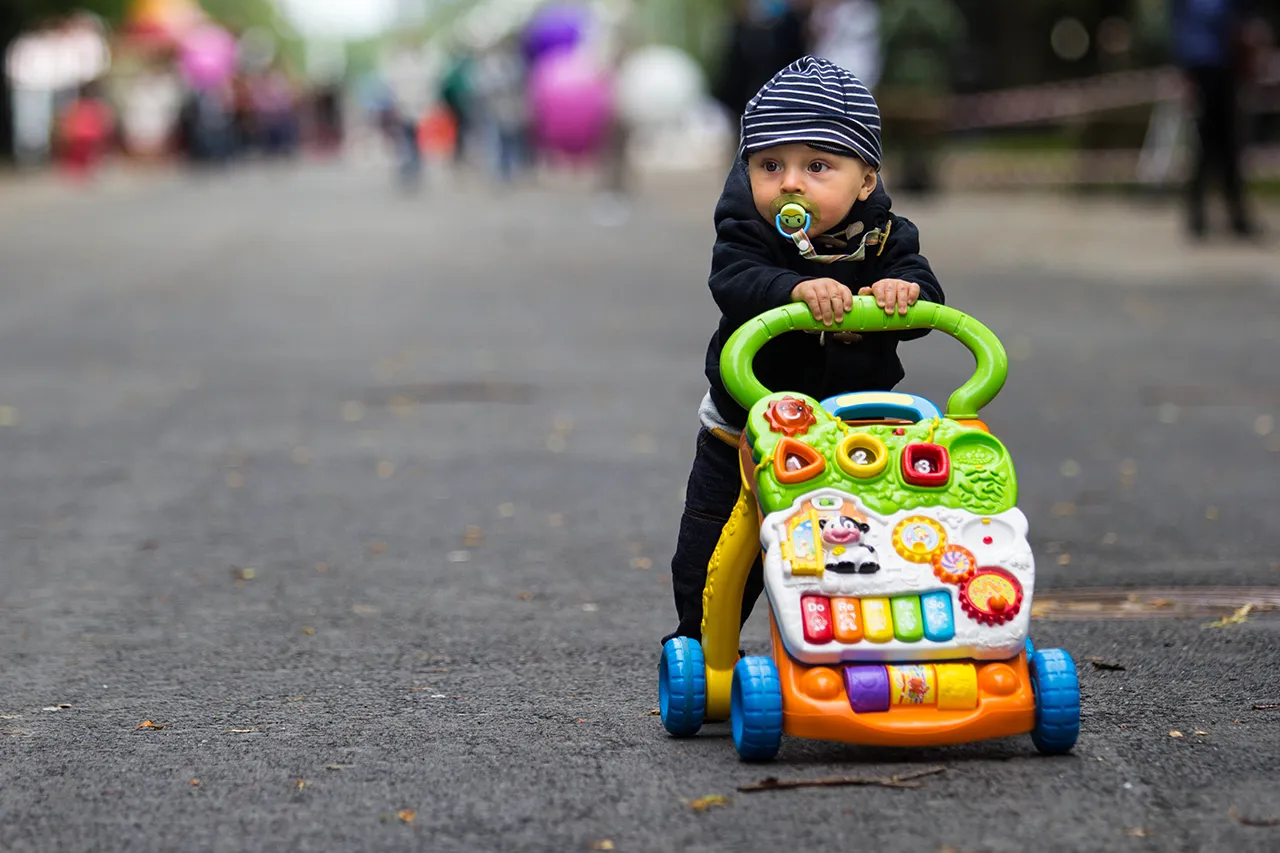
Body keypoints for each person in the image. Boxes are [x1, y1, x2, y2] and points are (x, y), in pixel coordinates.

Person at [665, 56, 944, 643]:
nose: (790, 182)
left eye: (818, 165)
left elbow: (928, 298)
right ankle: (701, 641)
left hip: (854, 432)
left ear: (865, 180)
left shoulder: (887, 235)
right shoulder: (750, 228)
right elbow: (734, 281)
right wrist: (792, 288)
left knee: (857, 545)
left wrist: (901, 293)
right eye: (770, 165)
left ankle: (862, 636)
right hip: (744, 427)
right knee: (712, 547)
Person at [1171, 0, 1266, 238]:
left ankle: (1233, 215)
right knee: (1206, 144)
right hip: (1205, 67)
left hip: (1224, 64)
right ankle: (1200, 216)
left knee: (1226, 145)